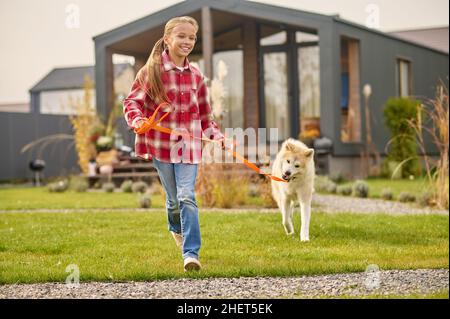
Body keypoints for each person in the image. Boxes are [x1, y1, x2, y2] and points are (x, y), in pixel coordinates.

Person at [123, 16, 225, 272]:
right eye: (181, 36)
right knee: (173, 201)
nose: (187, 41)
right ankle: (175, 226)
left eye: (192, 37)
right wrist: (137, 120)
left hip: (189, 147)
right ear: (167, 39)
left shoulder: (196, 75)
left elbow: (205, 116)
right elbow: (131, 102)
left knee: (187, 196)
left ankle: (191, 254)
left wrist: (216, 135)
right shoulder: (152, 71)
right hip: (161, 146)